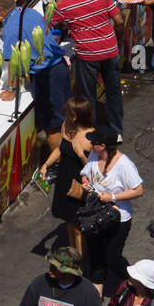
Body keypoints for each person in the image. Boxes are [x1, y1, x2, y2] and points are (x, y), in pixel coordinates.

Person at [51, 0, 125, 131]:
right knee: (113, 93)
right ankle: (116, 131)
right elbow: (119, 21)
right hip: (110, 51)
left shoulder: (63, 6)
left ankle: (90, 133)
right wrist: (117, 42)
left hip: (87, 56)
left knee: (87, 97)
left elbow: (51, 26)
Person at [1, 0, 71, 155]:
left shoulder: (10, 29)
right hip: (60, 66)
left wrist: (11, 90)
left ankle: (59, 165)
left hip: (46, 77)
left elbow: (12, 61)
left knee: (52, 125)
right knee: (67, 115)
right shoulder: (30, 12)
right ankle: (73, 153)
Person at [80, 126, 144, 293]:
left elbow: (138, 190)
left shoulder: (124, 164)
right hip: (94, 212)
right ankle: (97, 287)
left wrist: (112, 198)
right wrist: (85, 182)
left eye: (93, 141)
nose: (90, 143)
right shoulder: (94, 155)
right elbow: (85, 174)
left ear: (102, 145)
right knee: (95, 251)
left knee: (112, 256)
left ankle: (136, 284)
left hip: (117, 217)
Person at [46, 96, 95, 256]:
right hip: (64, 179)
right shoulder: (65, 126)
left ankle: (80, 262)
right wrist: (46, 165)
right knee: (69, 221)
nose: (64, 113)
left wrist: (81, 155)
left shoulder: (91, 138)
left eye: (68, 112)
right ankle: (73, 253)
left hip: (79, 183)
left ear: (75, 116)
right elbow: (60, 148)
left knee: (78, 226)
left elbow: (96, 169)